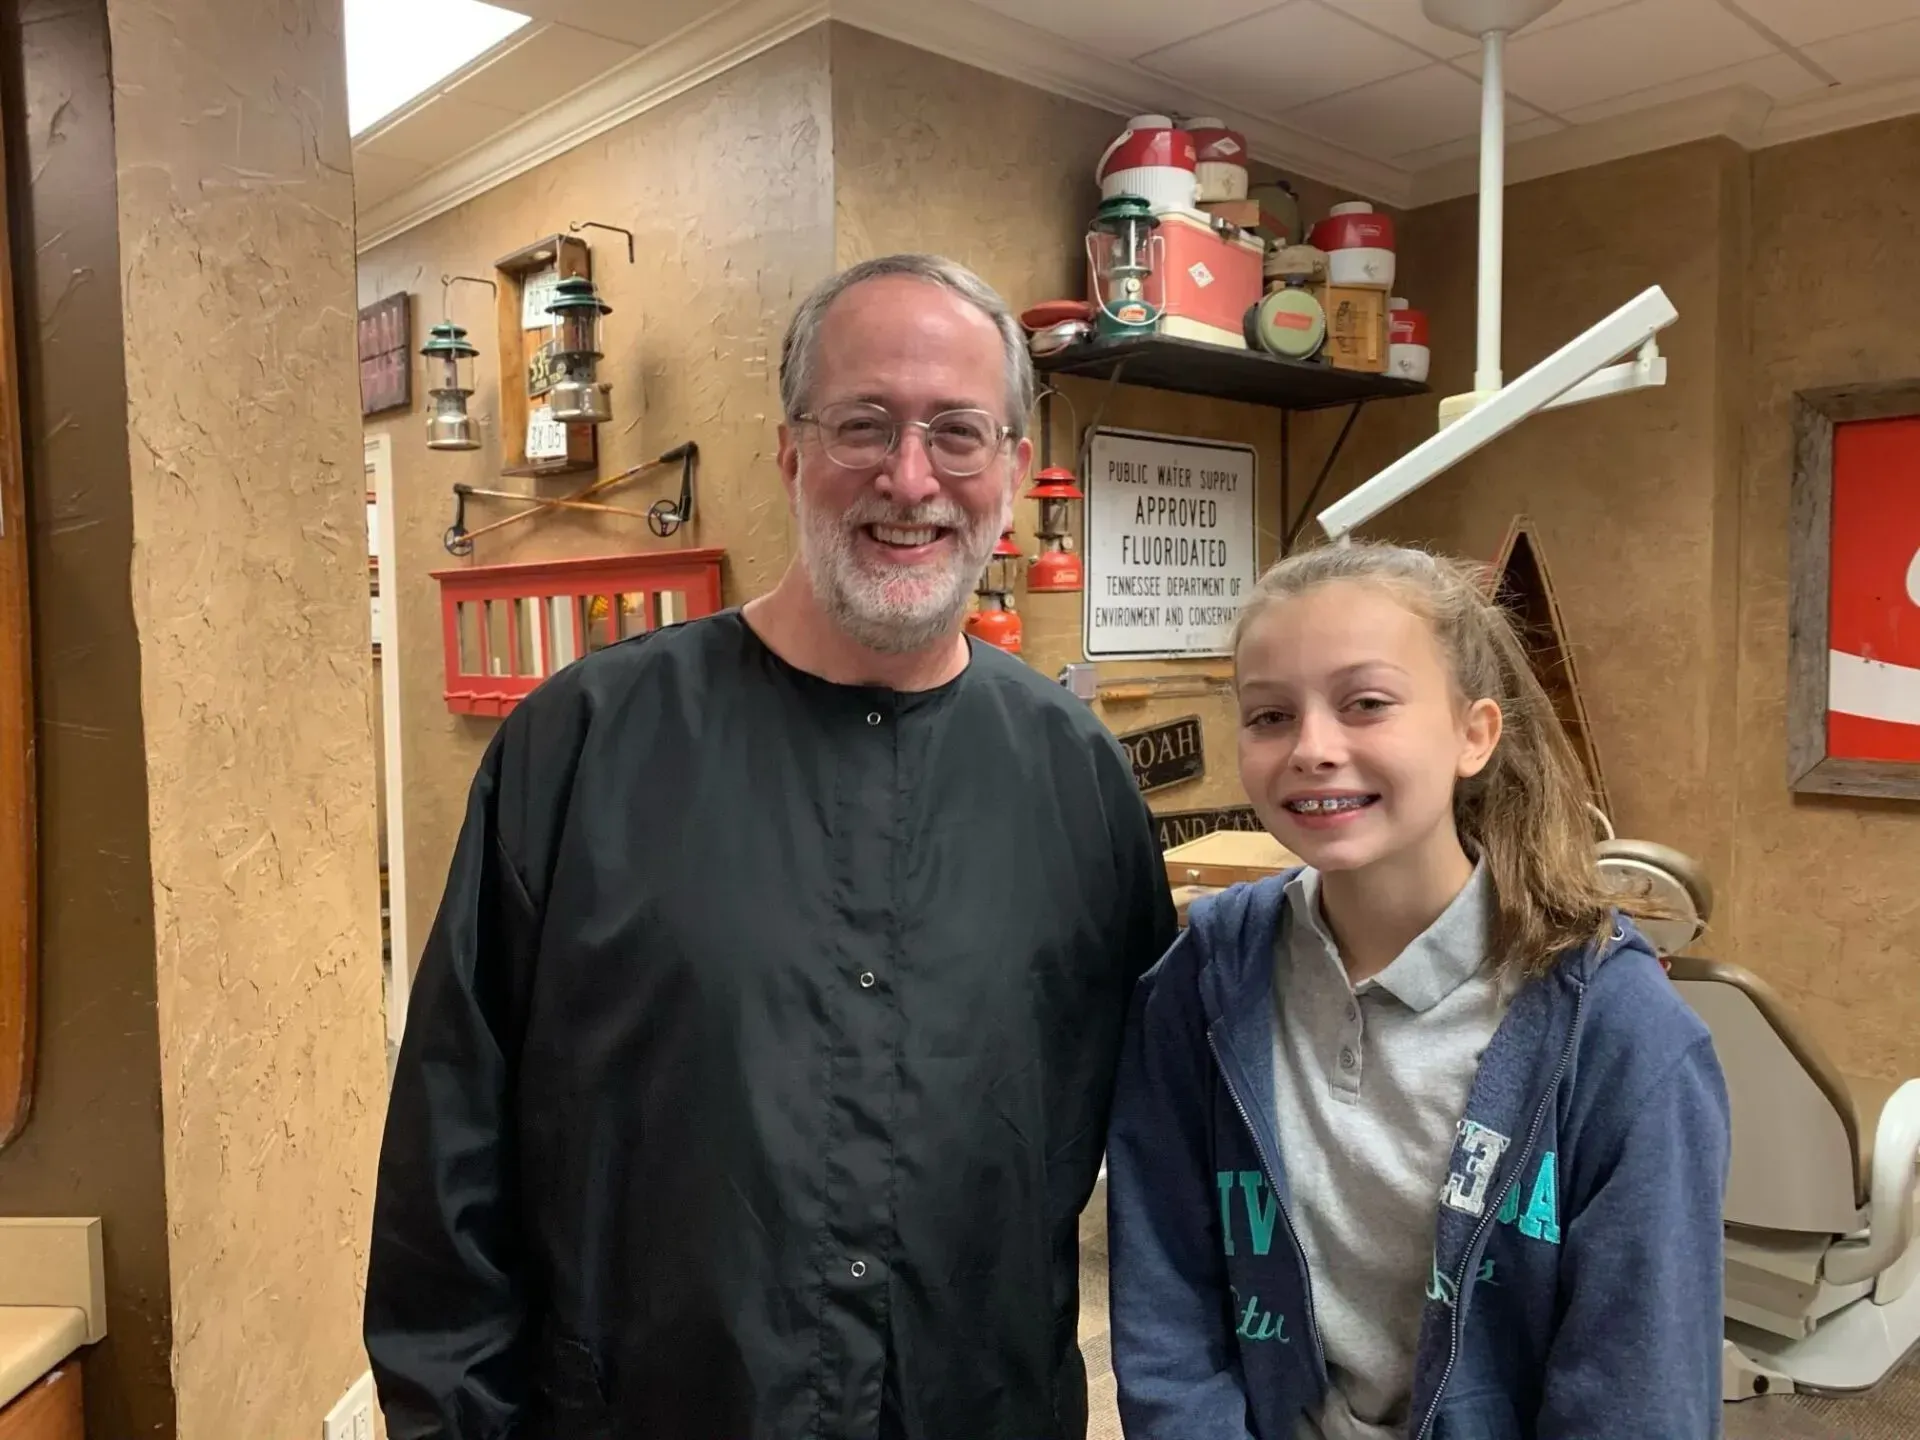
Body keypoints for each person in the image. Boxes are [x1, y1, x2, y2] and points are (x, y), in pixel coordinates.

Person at [363, 253, 1178, 1440]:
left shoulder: (1079, 782)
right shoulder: (582, 747)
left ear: (1010, 468)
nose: (911, 478)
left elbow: (1166, 1148)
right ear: (790, 451)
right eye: (864, 423)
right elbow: (448, 1174)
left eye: (958, 432)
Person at [1104, 540, 1730, 1440]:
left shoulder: (1624, 1042)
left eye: (1366, 704)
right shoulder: (1203, 985)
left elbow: (1638, 1396)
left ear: (1474, 734)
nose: (1314, 749)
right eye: (1270, 715)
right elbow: (1167, 1304)